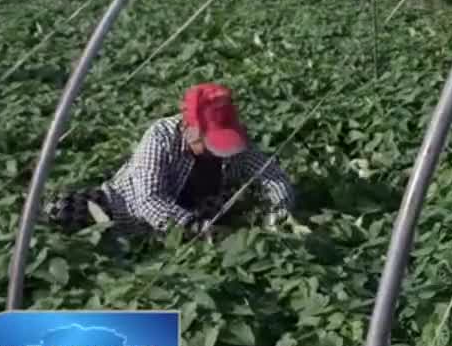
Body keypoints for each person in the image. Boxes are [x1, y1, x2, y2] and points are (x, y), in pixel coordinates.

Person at [45, 82, 297, 238]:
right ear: (189, 129)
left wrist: (280, 213)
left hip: (201, 209)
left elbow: (272, 176)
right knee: (60, 210)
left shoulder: (234, 138)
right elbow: (149, 200)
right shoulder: (161, 135)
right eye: (210, 141)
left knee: (238, 202)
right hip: (126, 211)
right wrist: (194, 228)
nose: (216, 150)